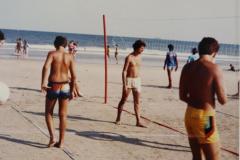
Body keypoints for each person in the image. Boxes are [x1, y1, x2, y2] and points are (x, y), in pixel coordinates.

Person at [179, 37, 227, 160]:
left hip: (189, 115)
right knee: (214, 157)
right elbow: (223, 100)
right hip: (206, 118)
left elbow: (182, 96)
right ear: (214, 52)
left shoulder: (187, 67)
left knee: (196, 157)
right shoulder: (214, 68)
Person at [41, 36, 80, 148]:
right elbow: (74, 76)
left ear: (55, 44)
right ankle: (61, 142)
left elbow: (45, 67)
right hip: (65, 86)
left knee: (48, 113)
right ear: (66, 44)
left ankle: (53, 137)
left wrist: (43, 83)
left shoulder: (52, 54)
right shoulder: (70, 56)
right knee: (63, 115)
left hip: (53, 85)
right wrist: (73, 90)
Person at [115, 40, 146, 127]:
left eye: (143, 48)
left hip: (137, 80)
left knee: (137, 102)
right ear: (137, 47)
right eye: (142, 48)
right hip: (128, 80)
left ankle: (138, 121)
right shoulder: (129, 57)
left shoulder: (140, 57)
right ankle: (118, 118)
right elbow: (124, 71)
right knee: (123, 100)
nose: (143, 50)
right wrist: (124, 84)